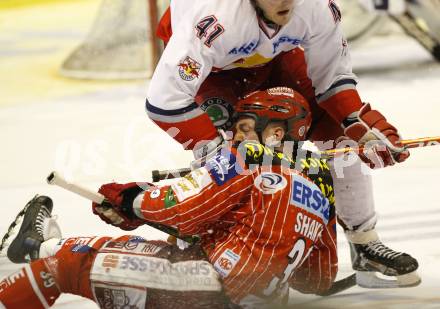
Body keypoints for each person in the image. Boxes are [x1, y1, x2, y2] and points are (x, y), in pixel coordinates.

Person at [146, 0, 419, 286]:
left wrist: (361, 125)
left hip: (276, 57)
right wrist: (216, 152)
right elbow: (164, 103)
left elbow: (333, 78)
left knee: (340, 139)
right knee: (234, 165)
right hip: (213, 72)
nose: (287, 1)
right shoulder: (214, 18)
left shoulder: (316, 7)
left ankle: (365, 246)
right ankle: (207, 255)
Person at [0, 88, 337, 308]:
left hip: (202, 290)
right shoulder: (319, 188)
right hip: (262, 300)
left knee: (67, 265)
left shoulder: (247, 157)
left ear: (277, 133)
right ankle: (38, 245)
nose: (237, 136)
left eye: (246, 127)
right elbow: (319, 278)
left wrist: (131, 199)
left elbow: (180, 209)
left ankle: (41, 250)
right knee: (117, 252)